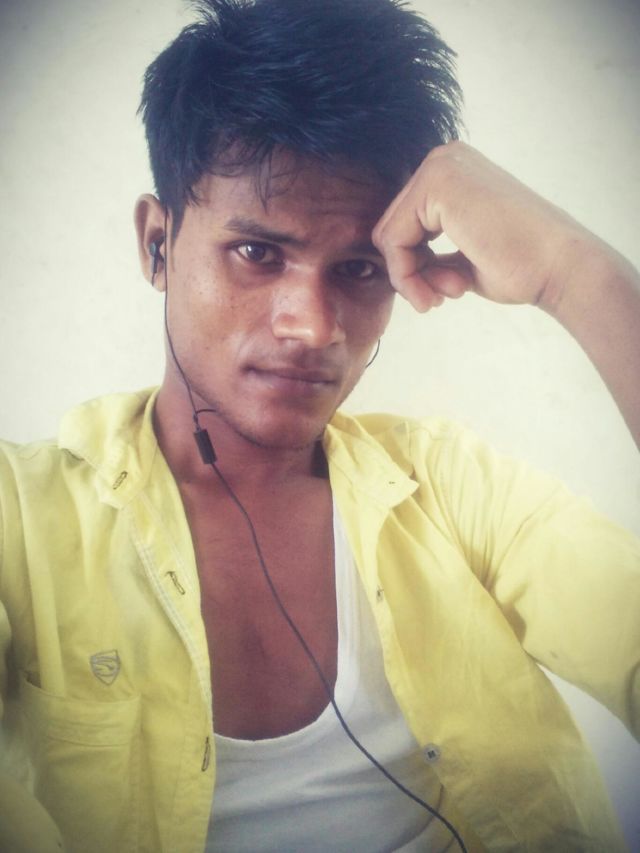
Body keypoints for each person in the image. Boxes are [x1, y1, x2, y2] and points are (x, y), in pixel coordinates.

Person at [0, 0, 638, 851]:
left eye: (359, 268)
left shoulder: (452, 489)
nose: (311, 324)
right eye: (257, 252)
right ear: (157, 244)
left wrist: (573, 273)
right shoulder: (21, 519)